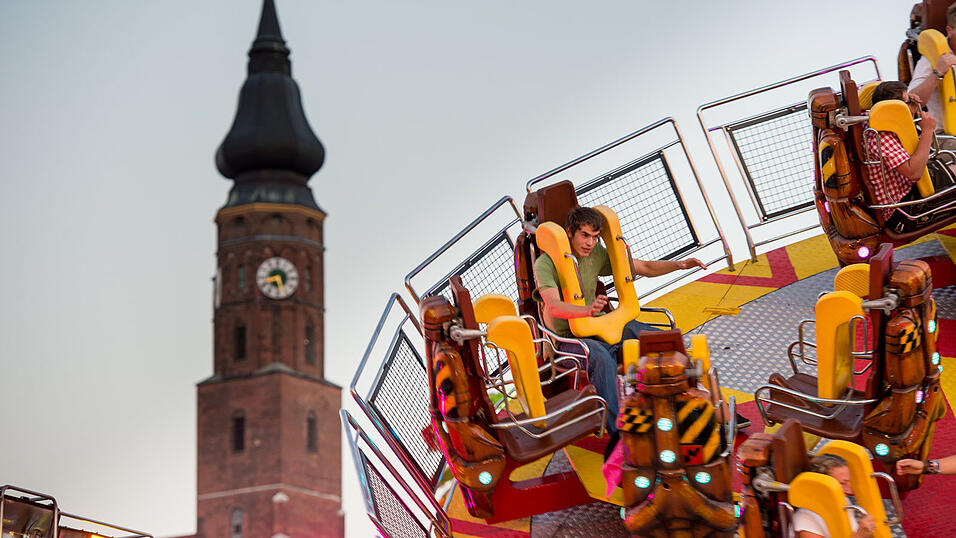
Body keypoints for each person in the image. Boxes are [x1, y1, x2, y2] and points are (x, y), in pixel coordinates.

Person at [532, 206, 706, 435]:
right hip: (568, 339)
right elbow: (553, 305)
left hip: (603, 325)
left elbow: (641, 266)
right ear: (569, 233)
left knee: (660, 339)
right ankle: (619, 433)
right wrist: (586, 311)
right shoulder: (545, 264)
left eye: (595, 237)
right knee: (602, 358)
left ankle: (699, 406)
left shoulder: (595, 253)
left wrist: (680, 264)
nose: (590, 243)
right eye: (584, 235)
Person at [864, 81, 954, 232]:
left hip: (910, 190)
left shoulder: (875, 120)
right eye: (908, 102)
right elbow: (914, 173)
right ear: (894, 109)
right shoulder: (881, 138)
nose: (912, 106)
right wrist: (927, 130)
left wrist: (908, 104)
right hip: (903, 211)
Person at [907, 2, 956, 150]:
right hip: (947, 138)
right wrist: (938, 73)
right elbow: (912, 102)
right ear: (950, 31)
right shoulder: (932, 58)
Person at [792, 454, 876, 538]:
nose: (849, 490)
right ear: (822, 486)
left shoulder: (844, 502)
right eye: (842, 483)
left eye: (849, 482)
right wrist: (859, 535)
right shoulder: (806, 518)